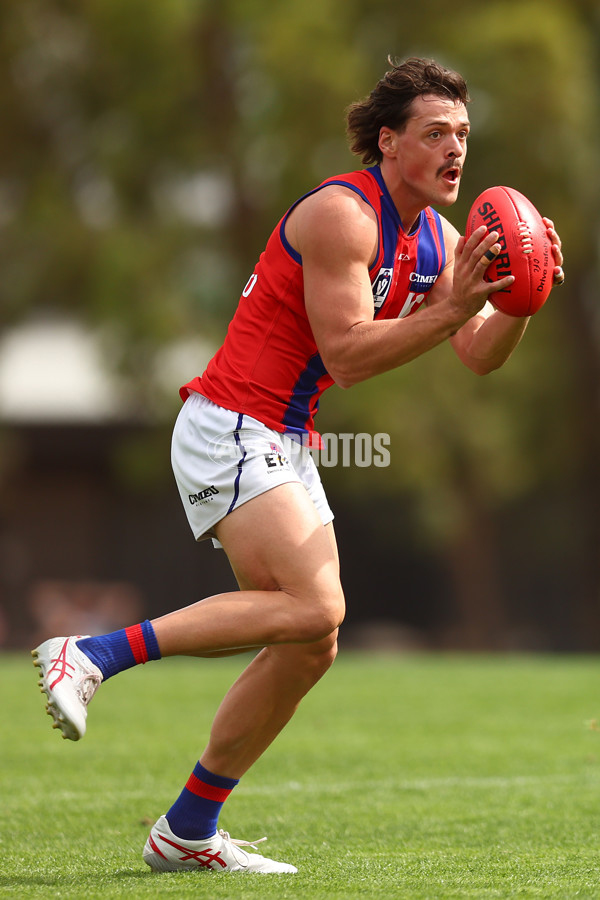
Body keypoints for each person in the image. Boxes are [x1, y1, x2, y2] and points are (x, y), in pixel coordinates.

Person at [32, 56, 564, 875]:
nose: (455, 149)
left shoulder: (436, 237)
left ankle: (186, 830)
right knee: (315, 606)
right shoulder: (342, 215)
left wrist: (522, 301)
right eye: (435, 134)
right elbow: (347, 356)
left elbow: (478, 353)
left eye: (462, 134)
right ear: (388, 143)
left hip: (282, 435)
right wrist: (458, 301)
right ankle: (92, 655)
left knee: (313, 640)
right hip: (230, 422)